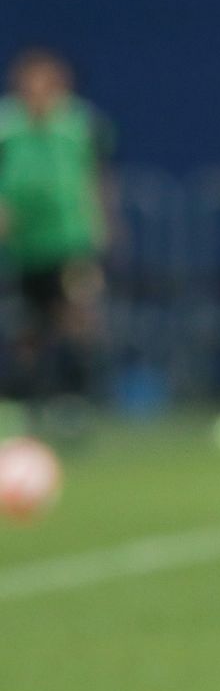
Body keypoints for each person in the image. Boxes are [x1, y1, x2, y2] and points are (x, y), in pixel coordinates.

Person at [0, 47, 114, 417]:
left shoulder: (80, 124)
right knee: (28, 324)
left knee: (77, 314)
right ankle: (25, 400)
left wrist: (103, 224)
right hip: (23, 246)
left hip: (71, 241)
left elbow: (97, 176)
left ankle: (76, 397)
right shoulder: (7, 127)